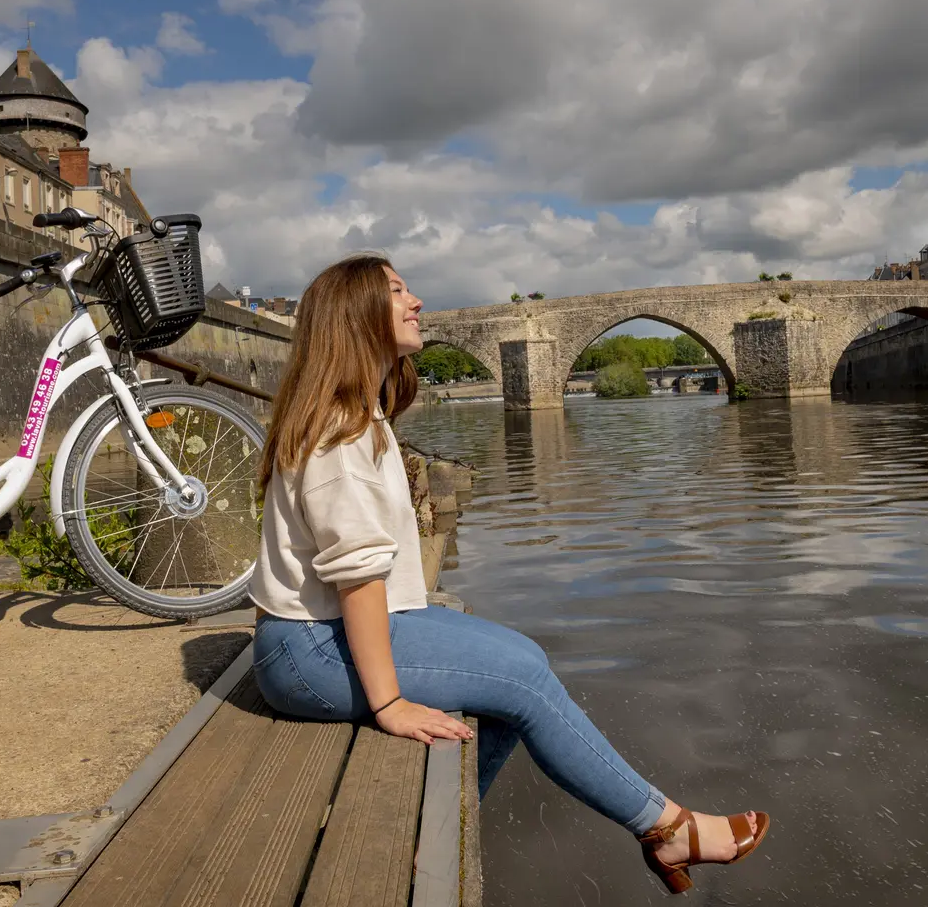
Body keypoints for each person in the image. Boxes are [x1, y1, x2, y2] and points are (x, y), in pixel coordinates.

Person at [248, 254, 770, 895]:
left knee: (522, 662)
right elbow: (357, 579)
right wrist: (389, 705)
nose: (416, 301)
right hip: (308, 652)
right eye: (396, 291)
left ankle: (438, 836)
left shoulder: (362, 413)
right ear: (353, 317)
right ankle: (669, 829)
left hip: (326, 635)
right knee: (519, 679)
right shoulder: (340, 430)